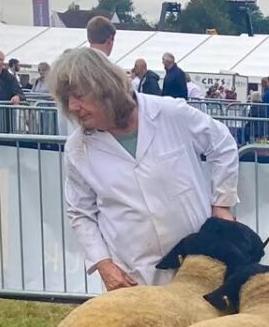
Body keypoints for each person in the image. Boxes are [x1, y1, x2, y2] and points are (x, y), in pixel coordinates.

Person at [51, 48, 239, 290]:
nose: (73, 106)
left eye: (78, 95)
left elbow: (222, 143)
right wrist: (104, 265)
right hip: (132, 278)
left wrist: (222, 204)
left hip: (197, 267)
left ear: (105, 88)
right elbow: (80, 212)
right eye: (67, 99)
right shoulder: (78, 148)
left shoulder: (170, 113)